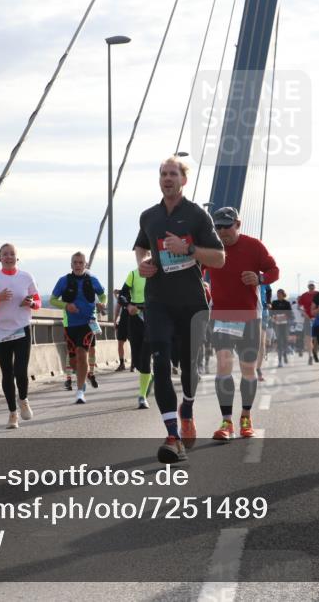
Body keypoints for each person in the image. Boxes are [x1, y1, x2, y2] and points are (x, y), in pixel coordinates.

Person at [134, 156, 224, 463]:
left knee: (190, 367)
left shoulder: (198, 216)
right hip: (158, 301)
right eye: (163, 174)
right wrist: (142, 265)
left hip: (192, 303)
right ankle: (172, 436)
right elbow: (141, 246)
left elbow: (219, 258)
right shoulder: (148, 216)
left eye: (173, 174)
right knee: (160, 362)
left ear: (183, 180)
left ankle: (187, 407)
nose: (167, 178)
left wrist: (187, 249)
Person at [206, 207, 279, 441]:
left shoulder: (254, 246)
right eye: (217, 226)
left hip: (249, 316)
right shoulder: (212, 248)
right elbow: (194, 271)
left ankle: (246, 417)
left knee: (248, 369)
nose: (222, 231)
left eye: (226, 226)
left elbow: (274, 270)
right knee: (223, 365)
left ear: (238, 224)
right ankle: (226, 421)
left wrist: (260, 278)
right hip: (221, 316)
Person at [0, 243, 40, 429]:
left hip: (22, 329)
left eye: (12, 254)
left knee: (20, 371)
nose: (9, 257)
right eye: (5, 254)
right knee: (7, 373)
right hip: (1, 333)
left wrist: (31, 303)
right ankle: (13, 414)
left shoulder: (26, 277)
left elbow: (37, 301)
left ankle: (23, 399)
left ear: (17, 258)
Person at [50, 252, 106, 404]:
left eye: (81, 262)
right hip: (70, 324)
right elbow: (52, 300)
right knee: (74, 361)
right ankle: (82, 378)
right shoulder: (63, 281)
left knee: (83, 355)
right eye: (75, 262)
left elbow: (102, 295)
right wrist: (66, 305)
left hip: (88, 323)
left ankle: (80, 391)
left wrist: (102, 304)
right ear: (71, 264)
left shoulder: (93, 280)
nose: (78, 265)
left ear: (85, 264)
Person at [118, 268, 152, 408]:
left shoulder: (161, 271)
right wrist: (128, 305)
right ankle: (150, 376)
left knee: (145, 357)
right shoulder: (133, 273)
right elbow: (122, 295)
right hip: (135, 318)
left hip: (152, 317)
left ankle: (142, 396)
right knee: (137, 361)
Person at [296, 281, 319, 364]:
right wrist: (303, 313)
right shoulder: (304, 295)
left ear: (315, 286)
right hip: (307, 319)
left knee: (317, 339)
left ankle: (314, 352)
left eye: (312, 285)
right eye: (310, 285)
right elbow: (299, 306)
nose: (311, 286)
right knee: (309, 339)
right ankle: (310, 356)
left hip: (318, 318)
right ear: (308, 286)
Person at [270, 288, 293, 367]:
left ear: (283, 295)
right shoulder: (274, 302)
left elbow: (290, 314)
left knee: (285, 340)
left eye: (280, 294)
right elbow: (271, 313)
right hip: (277, 324)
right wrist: (274, 317)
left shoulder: (287, 303)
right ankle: (280, 361)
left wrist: (285, 316)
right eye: (277, 294)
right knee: (279, 341)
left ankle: (285, 355)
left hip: (285, 324)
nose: (278, 295)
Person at [114, 289, 128, 371]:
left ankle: (134, 364)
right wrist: (115, 320)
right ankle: (122, 363)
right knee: (120, 343)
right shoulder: (124, 293)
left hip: (134, 320)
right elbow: (118, 307)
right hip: (123, 320)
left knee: (134, 343)